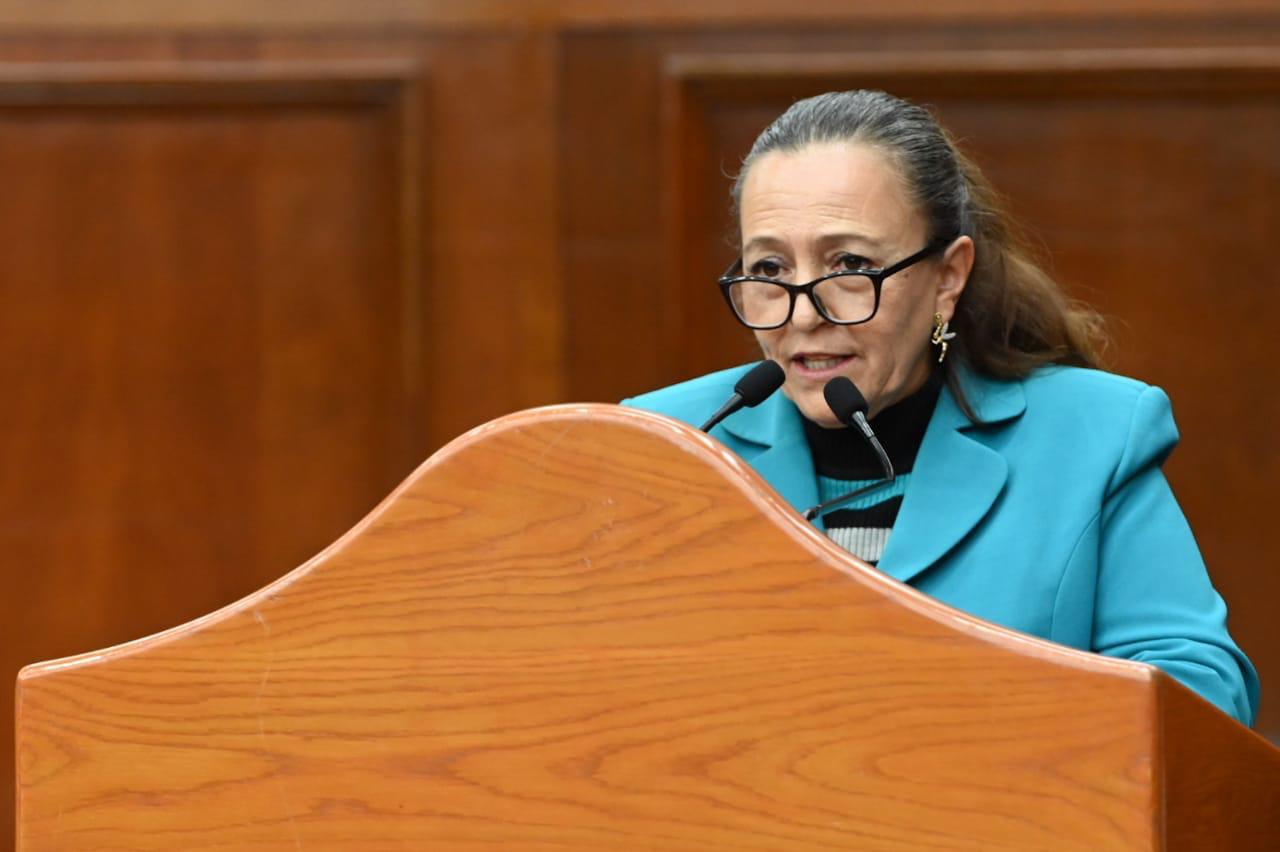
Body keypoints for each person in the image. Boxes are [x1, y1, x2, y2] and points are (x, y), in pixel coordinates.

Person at [624, 90, 1258, 726]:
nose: (805, 314)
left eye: (850, 264)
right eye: (769, 268)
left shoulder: (1093, 437)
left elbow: (1199, 696)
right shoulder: (663, 441)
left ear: (948, 277)